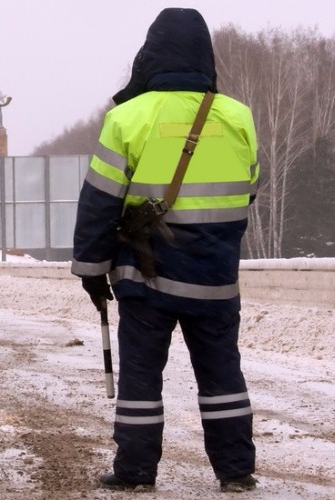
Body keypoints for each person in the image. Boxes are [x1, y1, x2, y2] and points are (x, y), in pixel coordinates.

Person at [71, 8, 259, 493]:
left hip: (147, 277)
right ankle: (236, 471)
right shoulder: (239, 117)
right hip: (216, 279)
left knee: (140, 381)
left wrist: (92, 269)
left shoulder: (127, 117)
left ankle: (135, 472)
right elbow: (249, 190)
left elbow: (99, 202)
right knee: (222, 378)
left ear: (150, 54)